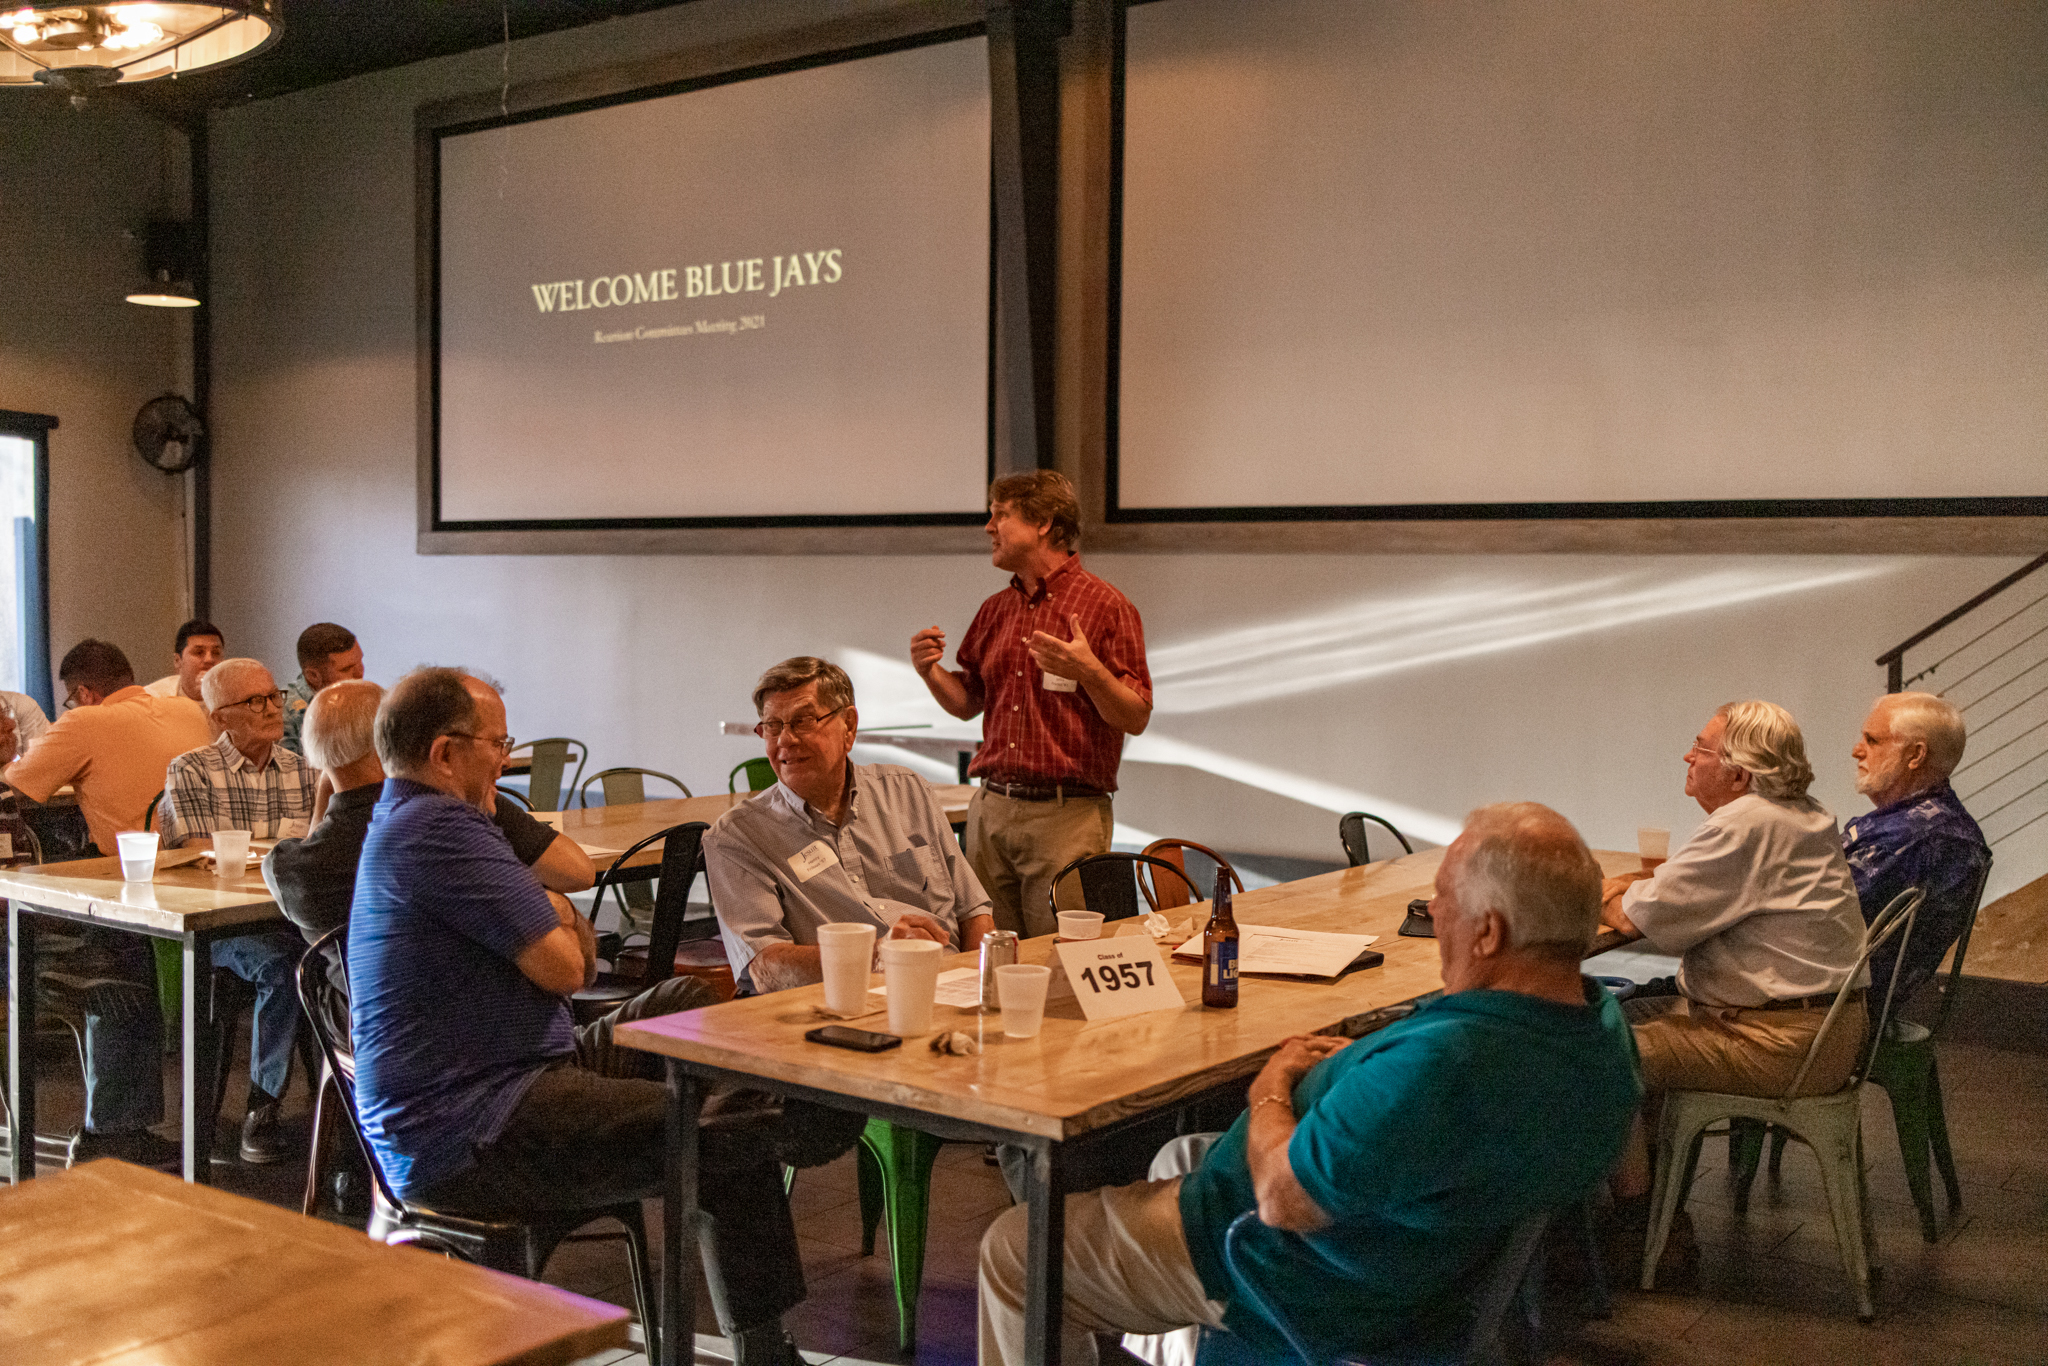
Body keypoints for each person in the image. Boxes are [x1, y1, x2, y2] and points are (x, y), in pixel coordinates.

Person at [976, 803, 1641, 1366]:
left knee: (1017, 1249)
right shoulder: (1600, 1033)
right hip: (1409, 1261)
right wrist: (1358, 1074)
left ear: (1490, 932)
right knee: (1179, 1153)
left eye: (1443, 900)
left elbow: (1283, 1198)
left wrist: (1270, 1089)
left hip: (1288, 1266)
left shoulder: (1447, 1065)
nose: (1433, 912)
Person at [348, 668, 849, 1366]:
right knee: (716, 1131)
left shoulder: (428, 817)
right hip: (471, 1120)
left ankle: (771, 1104)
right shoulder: (441, 829)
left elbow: (572, 920)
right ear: (444, 753)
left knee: (682, 1002)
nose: (506, 760)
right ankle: (797, 1125)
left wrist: (550, 908)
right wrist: (554, 912)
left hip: (516, 1066)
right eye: (498, 744)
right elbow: (568, 968)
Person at [1596, 701, 1867, 1240]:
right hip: (1825, 1030)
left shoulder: (1745, 825)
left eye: (1699, 747)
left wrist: (1605, 891)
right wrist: (1636, 889)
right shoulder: (1804, 812)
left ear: (1739, 773)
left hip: (1777, 1043)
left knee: (1591, 1049)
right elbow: (1674, 894)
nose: (1687, 757)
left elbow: (1633, 918)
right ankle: (1649, 1195)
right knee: (1616, 1016)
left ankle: (1641, 1226)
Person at [911, 471, 1153, 937]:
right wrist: (930, 672)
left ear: (1043, 522)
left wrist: (1089, 671)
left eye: (1001, 514)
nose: (989, 527)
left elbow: (1136, 715)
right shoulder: (995, 609)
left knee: (1062, 957)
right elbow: (967, 703)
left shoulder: (1106, 606)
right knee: (988, 955)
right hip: (991, 809)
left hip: (1066, 816)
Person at [0, 640, 213, 1165]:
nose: (10, 731)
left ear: (84, 692)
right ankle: (119, 1130)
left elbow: (19, 784)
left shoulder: (84, 722)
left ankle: (115, 1131)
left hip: (132, 882)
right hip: (192, 874)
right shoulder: (188, 710)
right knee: (119, 966)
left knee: (117, 959)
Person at [268, 674, 597, 995]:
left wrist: (327, 788)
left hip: (356, 1017)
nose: (505, 760)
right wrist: (554, 905)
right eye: (497, 744)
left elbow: (316, 842)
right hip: (481, 1008)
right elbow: (578, 879)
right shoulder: (449, 821)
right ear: (392, 742)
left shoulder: (295, 867)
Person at [705, 656, 995, 995]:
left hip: (947, 988)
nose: (785, 740)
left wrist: (975, 986)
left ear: (849, 726)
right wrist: (876, 956)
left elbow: (974, 911)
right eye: (772, 726)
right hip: (839, 1002)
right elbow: (765, 968)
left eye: (803, 721)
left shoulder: (907, 791)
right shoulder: (738, 837)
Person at [156, 657, 317, 1164]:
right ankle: (263, 1106)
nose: (272, 709)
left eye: (273, 697)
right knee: (283, 967)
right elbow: (197, 850)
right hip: (220, 923)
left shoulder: (303, 769)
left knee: (348, 953)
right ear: (220, 716)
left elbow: (317, 845)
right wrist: (279, 847)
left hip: (286, 913)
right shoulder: (191, 768)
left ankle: (353, 1111)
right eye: (255, 701)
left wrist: (249, 848)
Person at [1845, 691, 1991, 1007]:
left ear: (1915, 755)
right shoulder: (1932, 824)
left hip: (1831, 1008)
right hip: (1842, 1000)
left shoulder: (1914, 838)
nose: (1857, 751)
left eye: (1872, 741)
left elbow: (1810, 918)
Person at [280, 621, 364, 755]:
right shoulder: (284, 716)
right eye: (346, 669)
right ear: (313, 676)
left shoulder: (360, 696)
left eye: (360, 662)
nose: (359, 673)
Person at [144, 618, 226, 703]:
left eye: (216, 653)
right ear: (177, 661)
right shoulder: (153, 698)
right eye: (199, 652)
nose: (209, 659)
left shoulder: (232, 696)